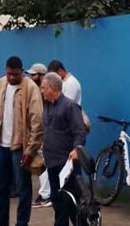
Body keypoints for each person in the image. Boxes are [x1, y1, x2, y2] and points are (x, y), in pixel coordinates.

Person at [0, 56, 44, 226]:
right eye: (9, 74)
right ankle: (2, 220)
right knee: (0, 187)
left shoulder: (30, 88)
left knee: (23, 189)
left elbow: (37, 121)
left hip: (20, 147)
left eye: (15, 74)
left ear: (22, 71)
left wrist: (30, 149)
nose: (12, 77)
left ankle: (22, 223)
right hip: (1, 145)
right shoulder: (2, 84)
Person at [40, 72, 86, 226]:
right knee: (56, 198)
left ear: (53, 88)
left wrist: (77, 149)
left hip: (66, 163)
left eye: (44, 88)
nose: (42, 90)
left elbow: (80, 131)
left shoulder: (69, 106)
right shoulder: (46, 106)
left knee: (70, 200)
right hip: (51, 161)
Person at [27, 63, 53, 209]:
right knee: (41, 163)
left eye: (34, 74)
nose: (31, 77)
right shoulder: (36, 90)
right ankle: (46, 194)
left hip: (45, 133)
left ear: (41, 75)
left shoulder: (44, 92)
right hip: (40, 133)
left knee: (43, 164)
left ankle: (46, 195)